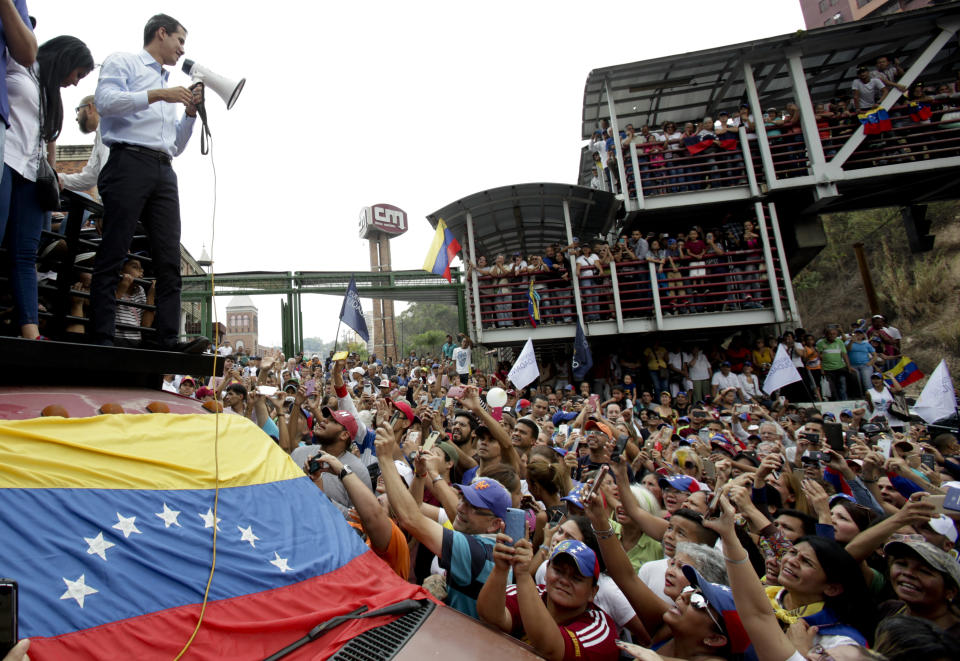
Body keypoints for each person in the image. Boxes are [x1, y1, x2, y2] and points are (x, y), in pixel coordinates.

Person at [89, 14, 207, 351]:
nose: (182, 49)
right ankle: (102, 337)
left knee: (168, 257)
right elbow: (107, 102)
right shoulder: (123, 62)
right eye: (180, 41)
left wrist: (188, 116)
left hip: (162, 168)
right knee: (114, 250)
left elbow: (174, 145)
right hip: (127, 161)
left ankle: (168, 338)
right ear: (161, 33)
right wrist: (159, 95)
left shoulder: (168, 89)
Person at [0, 35, 93, 339]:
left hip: (30, 175)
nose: (76, 83)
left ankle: (31, 332)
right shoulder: (19, 61)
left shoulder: (49, 92)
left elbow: (47, 137)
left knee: (25, 254)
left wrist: (52, 171)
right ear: (65, 59)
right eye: (77, 74)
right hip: (4, 161)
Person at [478, 537, 619, 660]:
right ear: (545, 572)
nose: (564, 581)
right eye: (558, 571)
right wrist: (501, 568)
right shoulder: (530, 593)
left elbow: (550, 649)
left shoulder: (599, 630)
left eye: (576, 578)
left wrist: (523, 574)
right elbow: (491, 617)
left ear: (592, 592)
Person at [58, 94, 109, 195]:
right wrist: (58, 178)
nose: (77, 118)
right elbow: (89, 178)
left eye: (78, 110)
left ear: (89, 107)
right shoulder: (99, 139)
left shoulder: (109, 129)